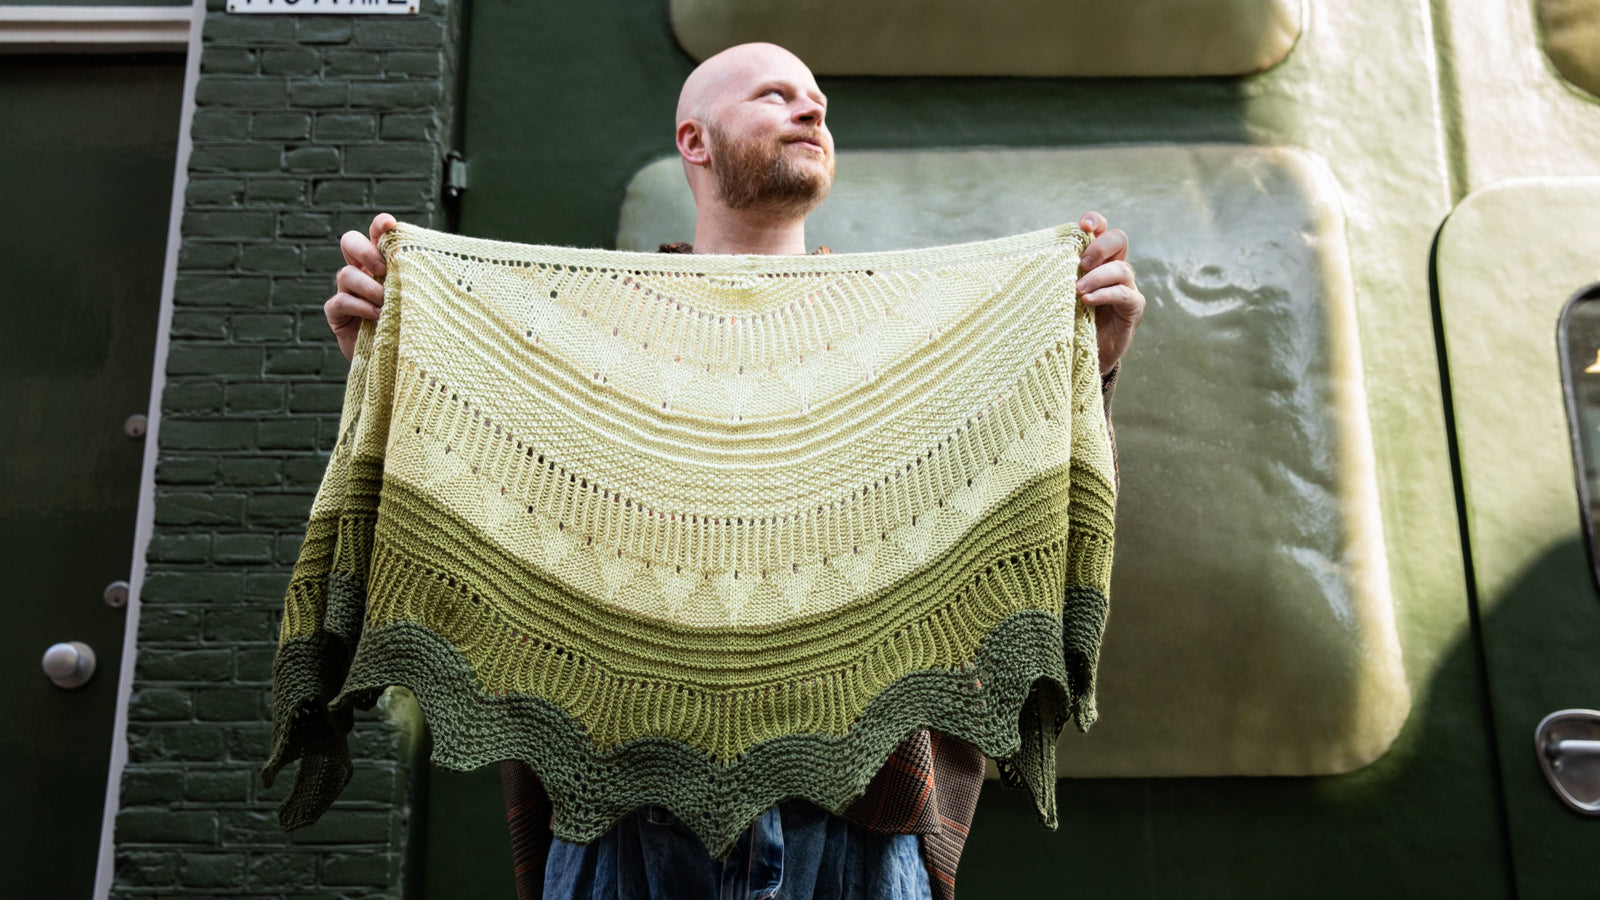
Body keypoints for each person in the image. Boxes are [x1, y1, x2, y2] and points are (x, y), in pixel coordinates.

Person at [324, 41, 1144, 900]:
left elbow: (1014, 521)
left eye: (819, 98)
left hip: (855, 830)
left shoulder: (901, 349)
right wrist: (391, 373)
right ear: (696, 140)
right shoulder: (587, 345)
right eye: (775, 94)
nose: (813, 109)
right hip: (624, 825)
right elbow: (488, 522)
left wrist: (1089, 372)